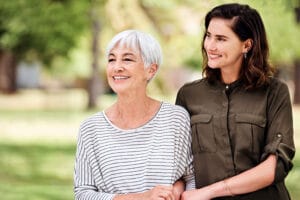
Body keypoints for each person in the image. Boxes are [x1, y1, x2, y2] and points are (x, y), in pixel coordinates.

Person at [176, 3, 295, 200]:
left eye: (221, 39)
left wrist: (208, 192)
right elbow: (180, 163)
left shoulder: (274, 93)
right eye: (208, 35)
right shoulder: (189, 95)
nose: (210, 46)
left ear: (246, 45)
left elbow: (276, 165)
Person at [74, 29, 195, 200]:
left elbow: (191, 178)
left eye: (127, 59)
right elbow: (83, 193)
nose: (117, 67)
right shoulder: (91, 129)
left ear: (151, 70)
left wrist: (175, 192)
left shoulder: (176, 119)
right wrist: (143, 197)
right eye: (111, 59)